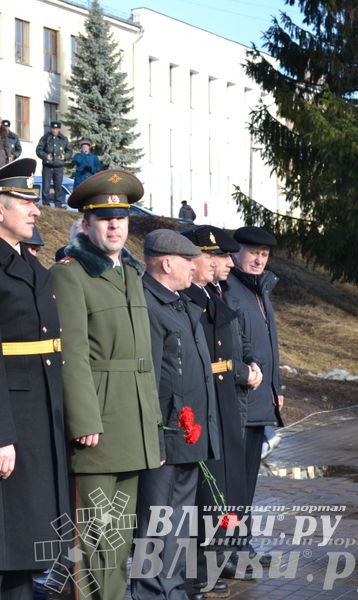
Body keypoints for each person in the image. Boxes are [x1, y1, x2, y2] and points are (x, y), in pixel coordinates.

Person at [50, 170, 164, 600]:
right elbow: (71, 354)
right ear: (85, 224)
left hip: (132, 425)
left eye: (122, 217)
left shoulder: (130, 274)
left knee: (119, 538)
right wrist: (83, 418)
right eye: (104, 218)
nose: (115, 225)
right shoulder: (71, 274)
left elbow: (143, 359)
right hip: (96, 425)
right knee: (92, 538)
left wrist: (151, 417)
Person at [0, 159, 69, 600]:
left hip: (39, 422)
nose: (36, 210)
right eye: (25, 202)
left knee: (25, 549)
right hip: (7, 425)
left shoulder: (30, 266)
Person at [132, 229, 220, 600]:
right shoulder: (148, 305)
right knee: (156, 520)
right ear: (167, 263)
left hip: (188, 433)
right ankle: (152, 592)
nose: (194, 267)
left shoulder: (180, 302)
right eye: (188, 261)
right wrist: (156, 435)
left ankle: (172, 589)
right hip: (166, 433)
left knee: (179, 519)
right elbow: (148, 376)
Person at [180, 225, 261, 596]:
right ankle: (198, 571)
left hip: (225, 397)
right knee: (205, 494)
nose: (227, 263)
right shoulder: (189, 298)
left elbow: (234, 343)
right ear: (197, 258)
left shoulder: (214, 293)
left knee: (223, 489)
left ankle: (215, 561)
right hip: (207, 396)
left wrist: (246, 368)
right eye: (219, 256)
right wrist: (240, 371)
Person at [223, 226, 284, 569]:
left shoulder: (261, 289)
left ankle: (242, 546)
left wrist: (279, 387)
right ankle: (227, 550)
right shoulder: (229, 290)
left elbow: (269, 344)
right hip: (239, 401)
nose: (259, 259)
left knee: (246, 486)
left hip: (262, 401)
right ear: (236, 252)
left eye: (265, 254)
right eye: (253, 252)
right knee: (232, 487)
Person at [36, 121, 70, 207]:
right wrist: (45, 156)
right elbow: (38, 150)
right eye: (53, 128)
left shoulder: (63, 139)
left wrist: (65, 156)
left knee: (58, 186)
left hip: (59, 167)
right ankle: (46, 204)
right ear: (51, 128)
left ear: (59, 129)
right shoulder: (45, 138)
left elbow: (70, 151)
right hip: (47, 166)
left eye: (56, 129)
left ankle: (58, 204)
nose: (54, 130)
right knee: (46, 187)